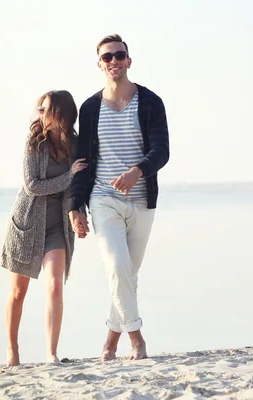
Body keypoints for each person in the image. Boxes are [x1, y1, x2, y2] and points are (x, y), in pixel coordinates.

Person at [68, 34, 170, 361]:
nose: (114, 61)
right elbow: (83, 164)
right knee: (117, 267)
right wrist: (76, 206)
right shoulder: (90, 108)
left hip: (141, 201)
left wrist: (136, 172)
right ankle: (137, 340)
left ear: (129, 60)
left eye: (119, 55)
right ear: (99, 64)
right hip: (102, 199)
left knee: (127, 274)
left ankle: (110, 343)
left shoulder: (151, 102)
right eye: (107, 57)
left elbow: (161, 150)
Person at [1, 90, 88, 366]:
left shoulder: (75, 146)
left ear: (59, 114)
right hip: (27, 223)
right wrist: (68, 175)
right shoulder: (33, 143)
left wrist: (79, 215)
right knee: (18, 291)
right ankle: (12, 349)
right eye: (39, 108)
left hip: (57, 226)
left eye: (46, 108)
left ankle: (51, 352)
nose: (40, 113)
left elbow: (78, 187)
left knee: (54, 286)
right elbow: (33, 186)